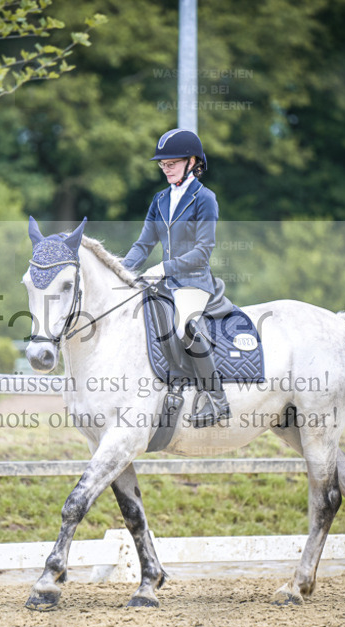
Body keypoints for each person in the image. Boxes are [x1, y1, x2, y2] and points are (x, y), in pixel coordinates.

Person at [122, 129, 230, 428]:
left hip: (194, 282)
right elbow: (143, 244)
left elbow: (203, 252)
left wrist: (164, 268)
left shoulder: (204, 199)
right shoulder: (160, 200)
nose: (166, 168)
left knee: (184, 325)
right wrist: (120, 271)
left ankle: (216, 399)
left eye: (172, 163)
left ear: (192, 162)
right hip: (165, 284)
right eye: (163, 164)